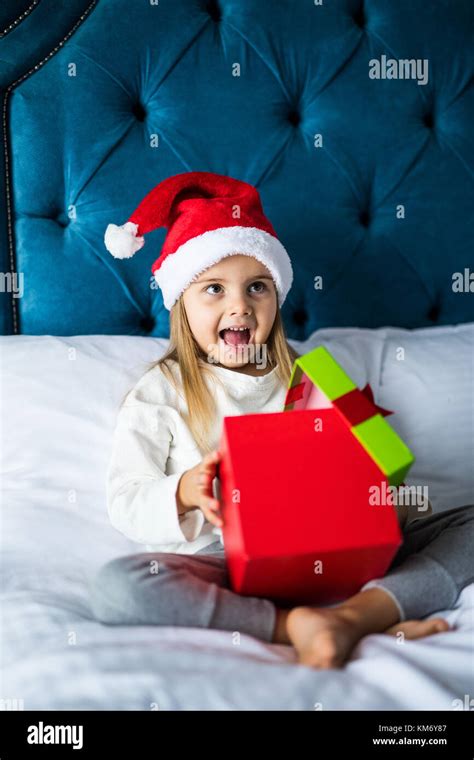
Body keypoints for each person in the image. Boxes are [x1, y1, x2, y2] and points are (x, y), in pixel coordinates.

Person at [90, 171, 474, 669]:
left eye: (257, 287)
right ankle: (300, 624)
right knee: (118, 587)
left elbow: (381, 475)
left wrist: (384, 501)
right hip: (223, 562)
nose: (239, 306)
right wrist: (186, 489)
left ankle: (358, 614)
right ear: (180, 301)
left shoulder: (313, 376)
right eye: (213, 289)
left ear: (276, 298)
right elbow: (125, 501)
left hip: (331, 554)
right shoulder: (161, 392)